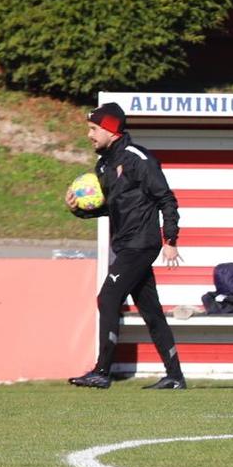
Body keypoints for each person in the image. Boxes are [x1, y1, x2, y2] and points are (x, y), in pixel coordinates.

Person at [66, 103, 188, 390]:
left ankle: (102, 371)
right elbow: (112, 207)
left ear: (110, 129)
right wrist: (79, 210)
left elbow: (166, 199)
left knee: (107, 298)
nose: (89, 135)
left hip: (141, 245)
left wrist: (170, 239)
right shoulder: (104, 164)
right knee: (152, 312)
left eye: (94, 129)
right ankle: (175, 376)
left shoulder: (138, 158)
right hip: (126, 245)